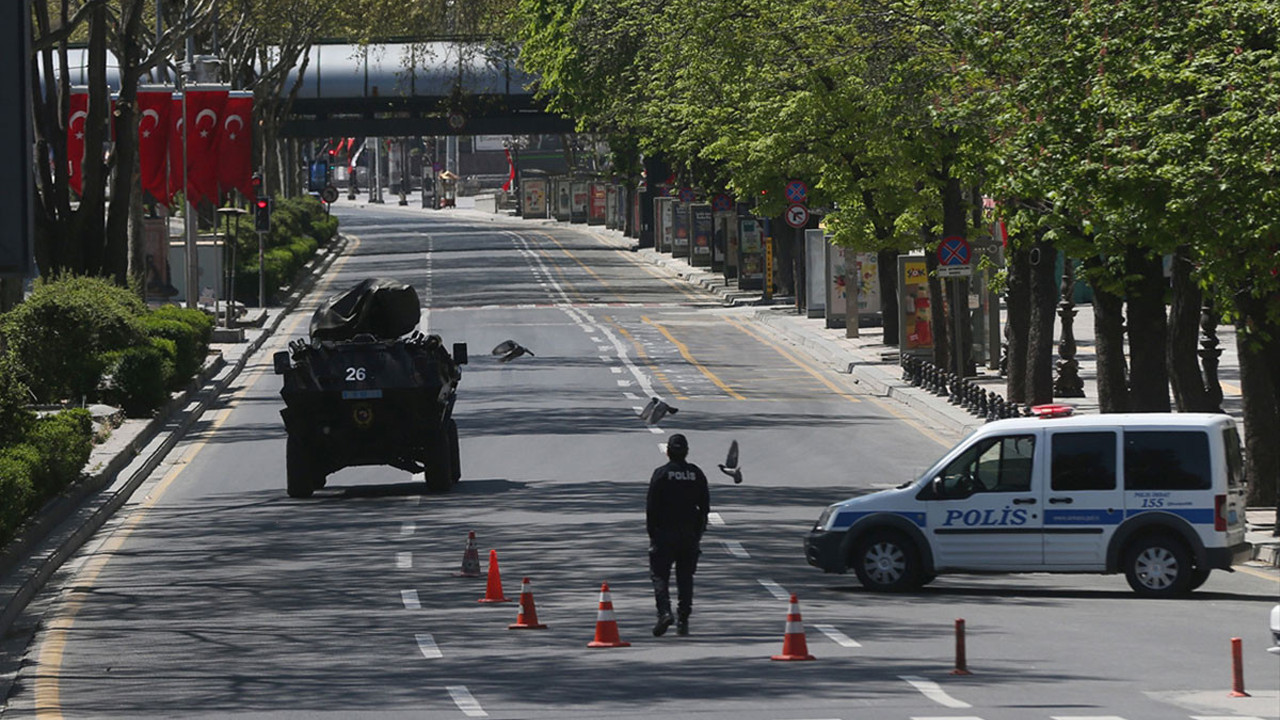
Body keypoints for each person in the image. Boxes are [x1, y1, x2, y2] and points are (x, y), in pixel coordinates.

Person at [646, 433, 710, 637]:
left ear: (668, 452)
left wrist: (653, 534)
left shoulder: (661, 474)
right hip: (689, 535)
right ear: (687, 451)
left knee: (659, 575)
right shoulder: (696, 473)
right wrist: (698, 533)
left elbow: (651, 507)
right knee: (685, 577)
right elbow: (705, 506)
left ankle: (664, 612)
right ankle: (683, 618)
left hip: (664, 534)